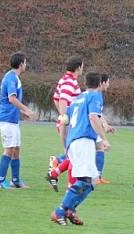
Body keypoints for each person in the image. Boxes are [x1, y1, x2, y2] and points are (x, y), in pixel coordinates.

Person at [49, 72, 109, 225]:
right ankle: (59, 211)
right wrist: (104, 138)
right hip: (83, 142)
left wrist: (65, 145)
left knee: (93, 181)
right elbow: (93, 117)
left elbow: (63, 122)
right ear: (100, 84)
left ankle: (70, 209)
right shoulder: (95, 96)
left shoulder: (77, 99)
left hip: (73, 143)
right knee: (84, 180)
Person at [0, 51, 37, 189]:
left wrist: (22, 114)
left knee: (16, 149)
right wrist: (27, 110)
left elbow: (11, 101)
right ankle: (0, 181)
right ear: (21, 64)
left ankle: (15, 181)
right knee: (9, 150)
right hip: (6, 120)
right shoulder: (11, 78)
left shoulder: (13, 77)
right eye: (25, 62)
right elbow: (12, 99)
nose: (26, 64)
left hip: (12, 120)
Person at [46, 55, 84, 192]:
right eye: (82, 66)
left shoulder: (65, 79)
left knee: (73, 156)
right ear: (78, 67)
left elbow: (56, 99)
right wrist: (65, 119)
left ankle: (54, 173)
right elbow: (62, 100)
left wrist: (63, 116)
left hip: (69, 123)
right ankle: (70, 187)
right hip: (69, 125)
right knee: (73, 157)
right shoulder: (70, 82)